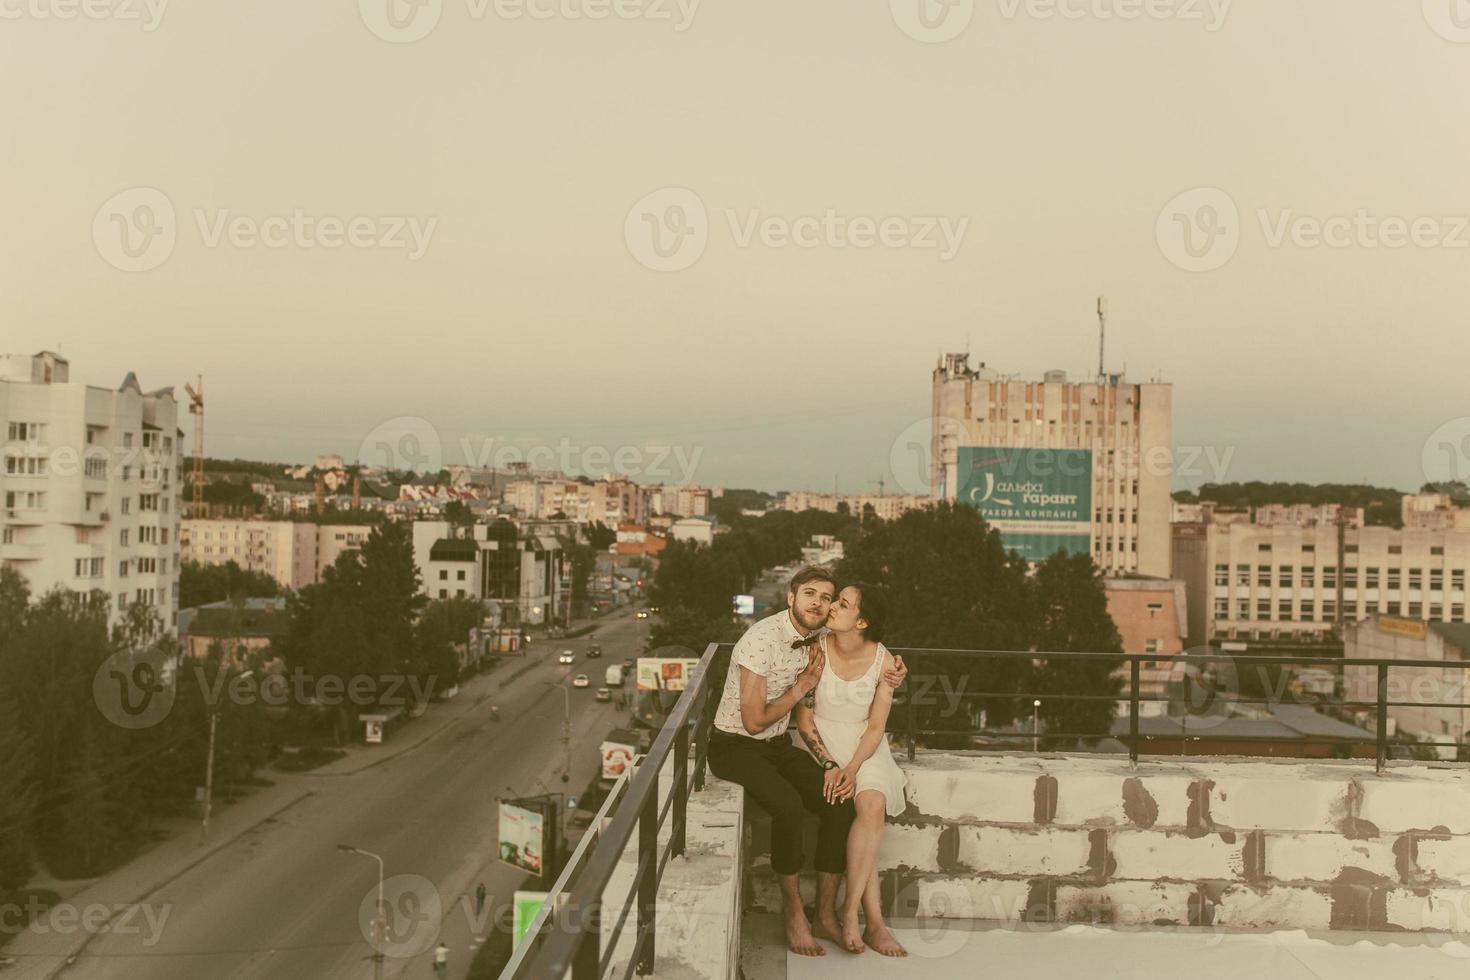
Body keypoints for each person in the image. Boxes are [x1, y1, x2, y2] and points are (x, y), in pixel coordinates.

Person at [706, 566, 906, 957]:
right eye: (810, 594)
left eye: (827, 597)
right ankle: (795, 911)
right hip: (735, 745)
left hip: (777, 744)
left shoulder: (818, 635)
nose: (819, 603)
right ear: (790, 597)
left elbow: (869, 650)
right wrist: (802, 687)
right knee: (789, 806)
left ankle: (827, 914)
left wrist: (897, 669)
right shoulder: (759, 641)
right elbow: (752, 720)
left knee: (838, 803)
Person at [794, 584, 908, 957]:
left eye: (841, 604)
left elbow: (876, 727)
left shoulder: (886, 663)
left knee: (872, 805)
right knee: (863, 820)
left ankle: (849, 913)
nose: (831, 608)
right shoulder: (817, 649)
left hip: (864, 745)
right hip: (820, 742)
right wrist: (832, 764)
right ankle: (873, 923)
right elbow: (804, 718)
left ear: (861, 621)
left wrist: (854, 767)